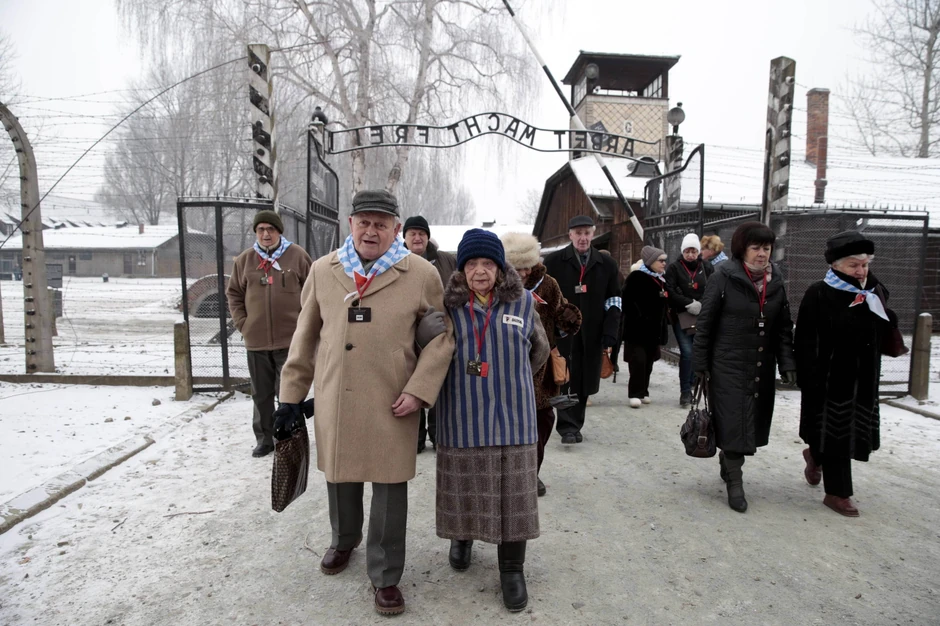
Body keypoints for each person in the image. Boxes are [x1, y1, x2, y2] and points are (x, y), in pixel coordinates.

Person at [274, 190, 455, 616]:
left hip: (394, 399)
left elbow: (442, 337)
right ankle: (344, 539)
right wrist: (290, 397)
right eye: (364, 222)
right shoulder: (324, 270)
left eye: (381, 224)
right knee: (340, 477)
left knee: (390, 487)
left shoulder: (421, 273)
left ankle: (386, 574)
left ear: (396, 229)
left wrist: (419, 389)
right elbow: (305, 338)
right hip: (336, 396)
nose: (371, 231)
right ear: (350, 225)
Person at [436, 229, 550, 612]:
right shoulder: (448, 307)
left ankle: (512, 569)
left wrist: (510, 378)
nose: (480, 271)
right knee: (466, 486)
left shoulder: (523, 303)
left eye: (488, 263)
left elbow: (540, 350)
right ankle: (462, 536)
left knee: (514, 496)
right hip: (463, 415)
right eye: (472, 264)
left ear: (500, 268)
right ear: (462, 269)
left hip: (514, 417)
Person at [692, 221, 796, 513]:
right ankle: (735, 482)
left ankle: (729, 460)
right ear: (742, 249)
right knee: (734, 419)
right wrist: (700, 364)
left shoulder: (776, 281)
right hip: (728, 364)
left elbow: (783, 327)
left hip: (761, 365)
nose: (762, 254)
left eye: (767, 248)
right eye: (756, 248)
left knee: (749, 422)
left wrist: (787, 362)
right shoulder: (723, 277)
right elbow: (705, 323)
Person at [795, 231, 892, 518]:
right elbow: (805, 340)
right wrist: (807, 377)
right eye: (854, 265)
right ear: (836, 265)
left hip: (863, 379)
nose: (861, 271)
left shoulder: (875, 291)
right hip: (829, 380)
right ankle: (837, 493)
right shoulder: (819, 293)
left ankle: (815, 455)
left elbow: (884, 327)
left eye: (865, 265)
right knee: (835, 432)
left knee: (844, 432)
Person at [500, 232, 582, 497]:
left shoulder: (548, 284)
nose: (524, 272)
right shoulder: (497, 285)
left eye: (527, 266)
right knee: (510, 426)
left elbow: (561, 310)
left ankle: (531, 474)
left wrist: (568, 318)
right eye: (518, 267)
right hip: (507, 368)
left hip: (542, 369)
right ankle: (508, 474)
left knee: (543, 422)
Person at [225, 209, 312, 457]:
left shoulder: (297, 256)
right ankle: (265, 439)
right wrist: (243, 323)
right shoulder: (245, 260)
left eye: (270, 229)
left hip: (291, 341)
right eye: (261, 229)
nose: (266, 234)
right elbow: (234, 294)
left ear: (279, 232)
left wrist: (306, 326)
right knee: (261, 394)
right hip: (257, 342)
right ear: (256, 232)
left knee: (290, 393)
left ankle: (292, 437)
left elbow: (313, 291)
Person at [542, 216, 621, 444]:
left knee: (585, 379)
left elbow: (614, 299)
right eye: (578, 233)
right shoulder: (554, 262)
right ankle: (566, 426)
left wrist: (611, 329)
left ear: (593, 234)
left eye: (587, 233)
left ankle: (576, 422)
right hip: (563, 332)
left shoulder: (607, 264)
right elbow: (544, 297)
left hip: (593, 332)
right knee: (564, 377)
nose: (583, 238)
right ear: (570, 235)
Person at [402, 215, 458, 453]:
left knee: (436, 381)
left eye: (421, 233)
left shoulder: (446, 260)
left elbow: (460, 284)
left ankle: (438, 435)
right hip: (407, 332)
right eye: (412, 233)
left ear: (428, 237)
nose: (417, 238)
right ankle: (414, 438)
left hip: (439, 329)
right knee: (409, 382)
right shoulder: (395, 261)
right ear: (404, 237)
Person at [664, 233, 713, 407]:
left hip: (702, 315)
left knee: (697, 351)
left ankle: (693, 382)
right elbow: (670, 290)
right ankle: (685, 391)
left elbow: (713, 288)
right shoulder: (674, 268)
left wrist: (701, 304)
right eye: (687, 251)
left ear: (698, 252)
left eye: (693, 251)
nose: (690, 255)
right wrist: (688, 303)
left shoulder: (706, 267)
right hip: (681, 315)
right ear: (682, 251)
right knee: (687, 352)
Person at [621, 246, 670, 408]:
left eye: (664, 260)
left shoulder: (661, 279)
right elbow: (627, 301)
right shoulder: (636, 277)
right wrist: (639, 317)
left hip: (654, 330)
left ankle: (643, 391)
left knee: (649, 361)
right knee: (638, 361)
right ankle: (634, 393)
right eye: (660, 260)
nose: (664, 263)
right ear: (651, 261)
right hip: (637, 330)